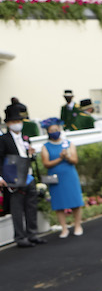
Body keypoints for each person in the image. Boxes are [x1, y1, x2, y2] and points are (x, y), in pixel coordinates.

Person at [1, 105, 44, 248]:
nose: (17, 124)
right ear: (8, 124)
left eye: (18, 121)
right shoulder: (4, 139)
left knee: (31, 206)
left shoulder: (26, 137)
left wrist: (32, 154)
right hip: (14, 178)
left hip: (29, 176)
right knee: (17, 209)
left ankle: (32, 233)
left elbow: (28, 156)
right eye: (13, 122)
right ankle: (20, 237)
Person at [38, 121, 84, 238]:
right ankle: (64, 228)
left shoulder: (68, 143)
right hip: (55, 178)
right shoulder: (45, 146)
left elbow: (75, 160)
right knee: (59, 203)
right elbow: (46, 163)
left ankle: (77, 225)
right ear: (47, 132)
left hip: (69, 175)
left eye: (56, 130)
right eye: (52, 130)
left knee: (75, 201)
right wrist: (60, 158)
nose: (54, 132)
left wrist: (67, 156)